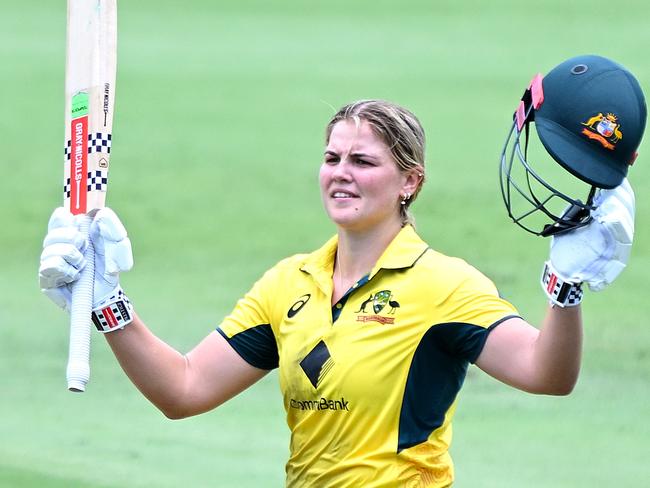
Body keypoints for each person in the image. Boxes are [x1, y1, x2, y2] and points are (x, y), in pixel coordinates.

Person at [39, 55, 644, 487]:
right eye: (331, 158)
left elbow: (548, 374)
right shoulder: (287, 284)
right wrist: (107, 301)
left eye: (362, 161)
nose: (341, 173)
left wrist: (565, 290)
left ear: (411, 181)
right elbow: (184, 389)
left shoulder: (445, 286)